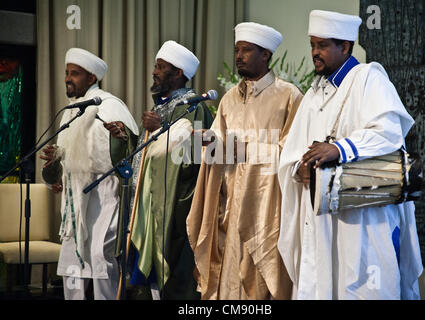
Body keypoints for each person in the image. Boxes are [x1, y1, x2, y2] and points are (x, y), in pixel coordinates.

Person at [278, 10, 423, 300]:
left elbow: (388, 132)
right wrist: (299, 170)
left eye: (322, 46)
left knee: (362, 284)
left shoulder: (368, 79)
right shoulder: (313, 94)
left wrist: (339, 148)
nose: (314, 53)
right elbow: (290, 153)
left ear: (345, 46)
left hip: (364, 219)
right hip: (321, 219)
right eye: (312, 45)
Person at [186, 22, 303, 300]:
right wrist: (207, 142)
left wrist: (244, 150)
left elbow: (292, 152)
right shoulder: (228, 99)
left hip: (266, 208)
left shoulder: (289, 96)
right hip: (229, 205)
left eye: (247, 50)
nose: (239, 56)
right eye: (237, 50)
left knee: (262, 285)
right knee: (227, 282)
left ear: (266, 55)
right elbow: (219, 149)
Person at [107, 40, 213, 300]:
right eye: (156, 66)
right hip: (146, 206)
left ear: (178, 73)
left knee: (174, 280)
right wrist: (125, 139)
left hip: (175, 208)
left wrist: (162, 129)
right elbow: (147, 155)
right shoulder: (161, 107)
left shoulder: (194, 107)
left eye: (161, 67)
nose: (154, 72)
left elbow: (193, 157)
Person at [40, 48, 139, 300]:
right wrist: (57, 163)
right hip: (75, 197)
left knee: (100, 259)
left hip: (104, 196)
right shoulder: (71, 110)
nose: (67, 79)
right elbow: (67, 155)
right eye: (66, 73)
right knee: (72, 260)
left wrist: (120, 139)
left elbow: (128, 153)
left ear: (92, 78)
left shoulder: (110, 106)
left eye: (75, 73)